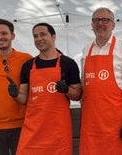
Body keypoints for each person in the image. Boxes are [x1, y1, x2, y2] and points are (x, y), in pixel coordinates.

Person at [7, 22, 82, 154]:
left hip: (58, 130)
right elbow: (23, 98)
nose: (38, 39)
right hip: (33, 129)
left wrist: (66, 90)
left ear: (53, 36)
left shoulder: (68, 64)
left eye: (43, 34)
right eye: (35, 36)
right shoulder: (28, 66)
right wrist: (15, 95)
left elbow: (78, 94)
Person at [79, 7, 122, 154]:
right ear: (92, 25)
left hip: (115, 123)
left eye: (105, 20)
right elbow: (84, 84)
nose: (100, 23)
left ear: (113, 25)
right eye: (96, 20)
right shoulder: (87, 49)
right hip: (90, 123)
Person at [0, 19, 32, 155]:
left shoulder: (26, 58)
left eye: (4, 33)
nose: (0, 37)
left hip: (22, 124)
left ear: (13, 36)